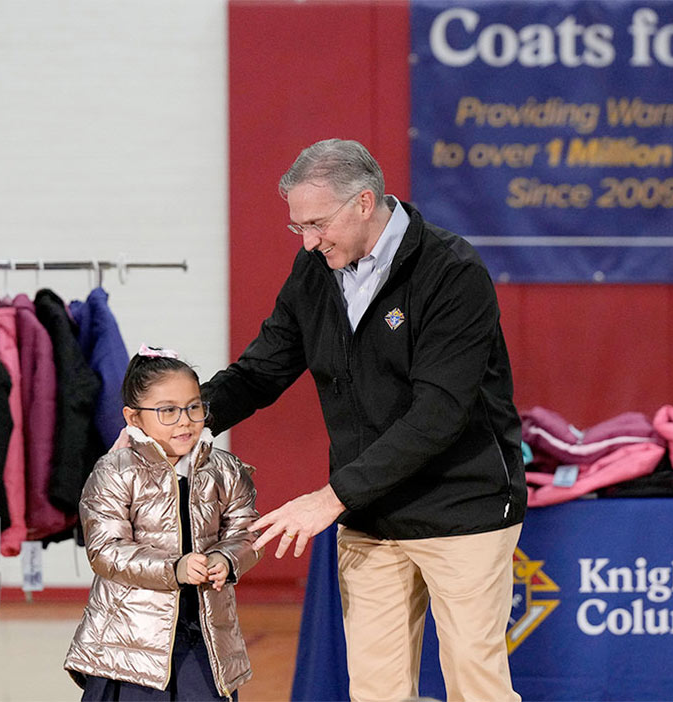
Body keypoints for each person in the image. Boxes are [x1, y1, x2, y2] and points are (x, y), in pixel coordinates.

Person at [203, 138, 527, 702]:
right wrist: (183, 416)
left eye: (317, 223)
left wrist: (330, 498)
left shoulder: (452, 271)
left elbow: (438, 415)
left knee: (477, 685)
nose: (307, 241)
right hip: (372, 517)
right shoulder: (314, 270)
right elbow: (261, 371)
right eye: (297, 227)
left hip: (463, 508)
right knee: (376, 691)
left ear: (363, 202)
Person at [65, 344, 262, 701]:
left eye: (193, 406)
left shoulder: (226, 469)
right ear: (134, 417)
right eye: (167, 411)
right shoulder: (115, 471)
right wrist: (175, 568)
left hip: (205, 638)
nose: (185, 420)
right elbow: (106, 552)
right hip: (130, 646)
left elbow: (246, 531)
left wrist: (227, 559)